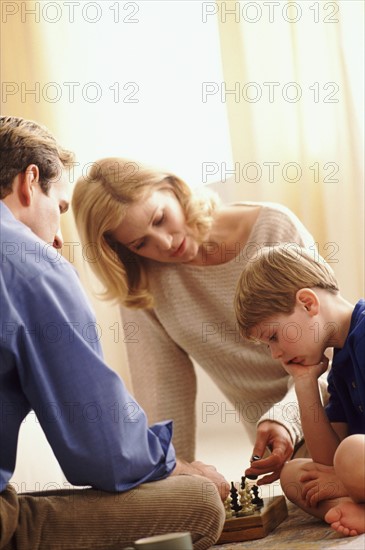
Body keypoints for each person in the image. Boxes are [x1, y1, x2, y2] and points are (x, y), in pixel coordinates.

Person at [0, 116, 229, 550]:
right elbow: (101, 452)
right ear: (30, 182)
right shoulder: (29, 262)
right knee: (198, 503)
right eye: (61, 209)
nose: (57, 237)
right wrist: (172, 465)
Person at [72, 156, 326, 484]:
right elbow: (164, 398)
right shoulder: (143, 286)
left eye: (160, 219)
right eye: (140, 243)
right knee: (300, 484)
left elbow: (328, 349)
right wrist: (178, 479)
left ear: (173, 188)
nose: (164, 243)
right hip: (276, 450)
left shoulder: (272, 227)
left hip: (332, 406)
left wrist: (285, 420)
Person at [234, 244, 365, 537]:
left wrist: (343, 480)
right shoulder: (339, 360)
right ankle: (358, 507)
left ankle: (353, 498)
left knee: (352, 454)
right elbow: (325, 464)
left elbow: (343, 462)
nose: (275, 354)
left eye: (274, 337)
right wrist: (305, 383)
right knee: (294, 475)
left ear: (307, 303)